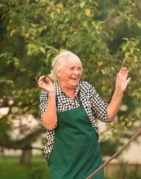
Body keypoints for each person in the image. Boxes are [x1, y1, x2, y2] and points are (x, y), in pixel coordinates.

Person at [38, 50, 130, 179]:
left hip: (90, 160)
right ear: (58, 72)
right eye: (72, 69)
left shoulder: (86, 89)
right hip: (64, 163)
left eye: (79, 69)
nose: (77, 73)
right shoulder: (47, 93)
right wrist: (51, 95)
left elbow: (107, 116)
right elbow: (50, 124)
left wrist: (119, 90)